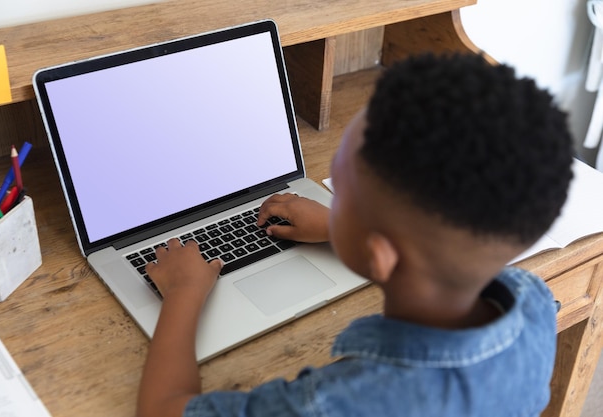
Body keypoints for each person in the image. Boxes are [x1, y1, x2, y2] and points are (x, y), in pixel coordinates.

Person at [136, 52, 574, 417]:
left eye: (338, 193)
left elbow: (162, 410)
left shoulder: (334, 403)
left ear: (380, 253)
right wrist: (345, 227)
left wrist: (184, 293)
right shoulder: (533, 301)